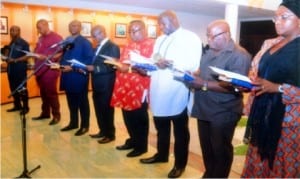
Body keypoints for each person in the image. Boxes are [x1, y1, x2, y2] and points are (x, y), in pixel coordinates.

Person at [139, 10, 202, 178]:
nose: (160, 27)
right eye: (159, 24)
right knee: (161, 125)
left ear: (174, 20)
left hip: (177, 89)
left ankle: (180, 164)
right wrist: (153, 64)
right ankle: (161, 155)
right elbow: (155, 57)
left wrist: (170, 64)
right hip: (158, 86)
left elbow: (194, 64)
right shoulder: (160, 39)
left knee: (180, 130)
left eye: (163, 24)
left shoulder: (191, 37)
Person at [242, 0, 300, 177]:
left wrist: (279, 88)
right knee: (259, 162)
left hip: (288, 122)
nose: (277, 21)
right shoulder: (271, 43)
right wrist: (248, 83)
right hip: (262, 115)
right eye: (275, 17)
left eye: (284, 17)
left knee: (281, 166)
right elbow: (259, 72)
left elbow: (275, 84)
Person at [187, 20, 251, 178]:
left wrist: (203, 83)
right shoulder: (209, 51)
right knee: (207, 148)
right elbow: (204, 71)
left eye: (213, 36)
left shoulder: (239, 55)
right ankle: (209, 174)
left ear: (226, 35)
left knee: (220, 150)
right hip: (204, 107)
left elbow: (234, 86)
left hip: (224, 110)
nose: (209, 40)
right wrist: (195, 74)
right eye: (207, 36)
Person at [110, 20, 154, 156]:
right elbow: (125, 62)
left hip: (139, 86)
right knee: (127, 115)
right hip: (125, 85)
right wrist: (117, 64)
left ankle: (141, 146)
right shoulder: (129, 45)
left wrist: (126, 67)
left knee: (138, 116)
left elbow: (149, 67)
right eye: (130, 31)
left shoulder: (152, 45)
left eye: (135, 31)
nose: (132, 34)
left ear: (144, 30)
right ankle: (133, 140)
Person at [59, 20, 94, 136]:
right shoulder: (67, 41)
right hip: (67, 77)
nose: (74, 27)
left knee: (82, 103)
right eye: (72, 25)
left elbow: (89, 60)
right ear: (69, 27)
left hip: (78, 76)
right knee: (71, 102)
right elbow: (64, 56)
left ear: (80, 28)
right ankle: (73, 123)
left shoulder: (85, 42)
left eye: (77, 26)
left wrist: (72, 67)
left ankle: (85, 126)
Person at [86, 25, 120, 142]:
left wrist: (94, 68)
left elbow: (112, 66)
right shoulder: (97, 47)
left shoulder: (113, 46)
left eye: (96, 35)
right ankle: (102, 131)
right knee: (98, 108)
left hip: (106, 83)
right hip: (97, 83)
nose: (95, 38)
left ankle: (110, 135)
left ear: (103, 32)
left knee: (106, 109)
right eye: (93, 36)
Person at [32, 19, 63, 125]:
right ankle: (45, 113)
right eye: (37, 28)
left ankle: (56, 115)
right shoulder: (40, 38)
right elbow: (37, 50)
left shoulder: (56, 37)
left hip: (49, 70)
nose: (39, 30)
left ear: (46, 25)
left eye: (40, 28)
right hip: (39, 69)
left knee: (51, 94)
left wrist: (47, 58)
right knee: (43, 94)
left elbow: (61, 53)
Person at [1, 26, 30, 114]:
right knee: (13, 88)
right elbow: (7, 56)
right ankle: (17, 106)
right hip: (10, 70)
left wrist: (14, 60)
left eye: (15, 30)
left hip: (19, 70)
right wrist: (4, 58)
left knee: (22, 89)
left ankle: (25, 107)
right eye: (11, 31)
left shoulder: (24, 43)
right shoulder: (10, 44)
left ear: (19, 31)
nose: (12, 32)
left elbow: (27, 56)